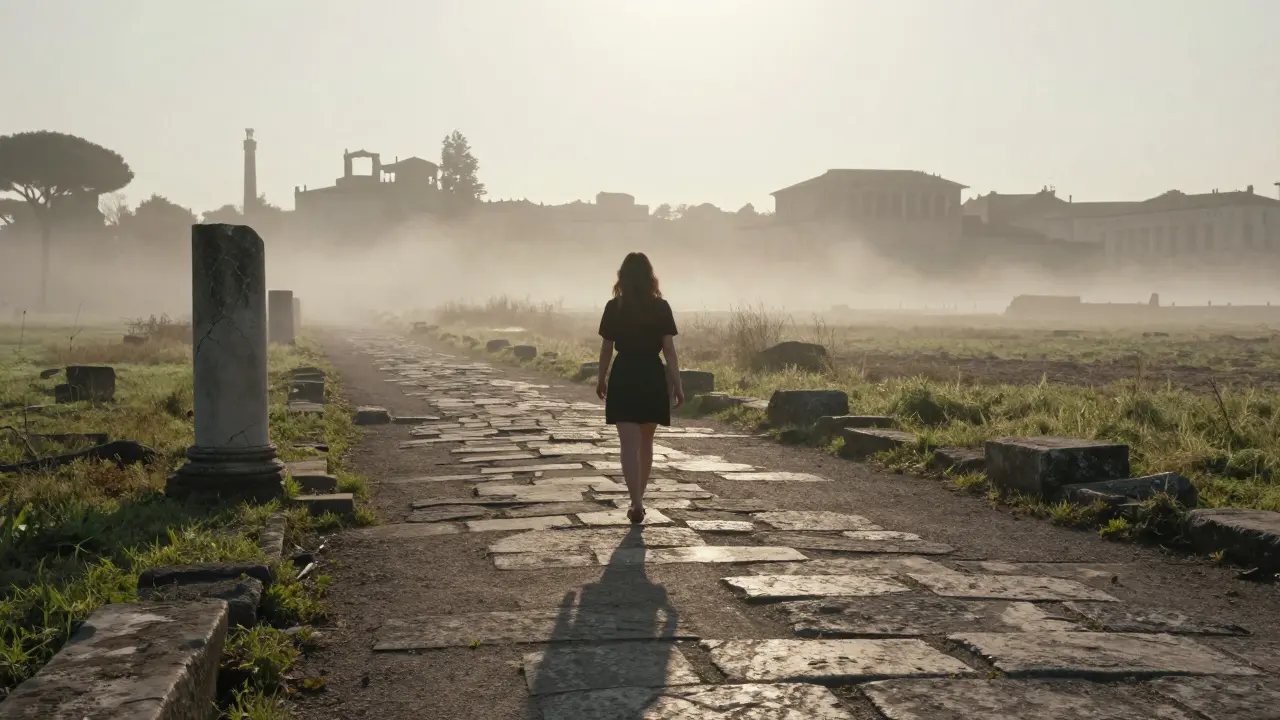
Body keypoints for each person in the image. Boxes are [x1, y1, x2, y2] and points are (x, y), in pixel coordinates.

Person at [596, 252, 683, 523]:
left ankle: (635, 501)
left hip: (624, 374)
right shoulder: (661, 307)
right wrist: (678, 384)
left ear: (622, 277)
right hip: (651, 375)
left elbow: (607, 347)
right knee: (646, 442)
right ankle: (639, 500)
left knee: (627, 443)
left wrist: (601, 378)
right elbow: (668, 349)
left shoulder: (615, 307)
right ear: (650, 277)